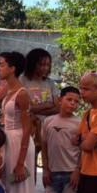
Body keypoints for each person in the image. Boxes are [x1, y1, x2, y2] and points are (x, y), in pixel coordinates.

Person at [0, 52, 36, 193]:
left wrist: (21, 162)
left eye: (2, 64)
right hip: (8, 142)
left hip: (20, 143)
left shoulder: (22, 93)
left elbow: (27, 128)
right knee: (9, 192)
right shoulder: (8, 91)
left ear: (12, 68)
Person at [37, 86, 81, 193]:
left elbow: (83, 150)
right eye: (69, 99)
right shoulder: (49, 121)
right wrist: (46, 168)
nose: (73, 104)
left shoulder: (79, 124)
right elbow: (44, 145)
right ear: (60, 100)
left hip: (71, 173)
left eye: (76, 101)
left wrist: (78, 170)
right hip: (53, 173)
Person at [22, 48, 61, 181]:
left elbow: (58, 108)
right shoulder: (23, 81)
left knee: (49, 161)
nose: (45, 68)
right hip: (30, 128)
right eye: (41, 64)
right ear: (32, 63)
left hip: (48, 127)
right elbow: (26, 108)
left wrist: (36, 109)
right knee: (29, 161)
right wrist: (48, 105)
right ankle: (28, 187)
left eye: (47, 65)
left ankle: (48, 188)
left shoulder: (50, 82)